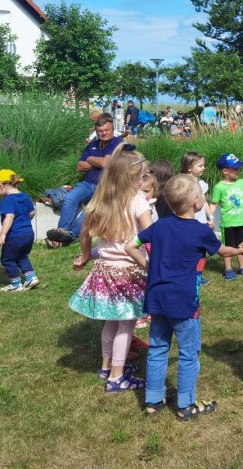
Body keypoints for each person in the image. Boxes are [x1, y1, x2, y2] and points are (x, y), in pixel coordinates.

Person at [125, 174, 243, 420]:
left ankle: (153, 400)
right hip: (184, 304)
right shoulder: (201, 232)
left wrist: (147, 265)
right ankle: (185, 405)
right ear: (195, 202)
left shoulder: (157, 226)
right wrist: (240, 249)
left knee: (158, 348)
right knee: (188, 353)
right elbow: (221, 249)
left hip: (157, 300)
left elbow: (131, 245)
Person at [69, 143, 154, 392]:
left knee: (110, 322)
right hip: (129, 271)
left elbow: (84, 233)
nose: (144, 180)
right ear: (131, 178)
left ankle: (107, 366)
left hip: (104, 271)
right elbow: (151, 236)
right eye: (141, 176)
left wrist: (86, 255)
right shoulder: (138, 201)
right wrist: (155, 263)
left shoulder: (102, 200)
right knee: (126, 323)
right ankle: (117, 377)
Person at [47, 112, 123, 246]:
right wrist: (98, 161)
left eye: (107, 130)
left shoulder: (118, 143)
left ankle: (71, 236)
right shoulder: (92, 145)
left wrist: (90, 159)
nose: (104, 133)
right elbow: (79, 167)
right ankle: (61, 231)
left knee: (90, 209)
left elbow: (106, 164)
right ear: (96, 131)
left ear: (112, 129)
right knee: (70, 197)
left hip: (106, 186)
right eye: (100, 131)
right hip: (88, 183)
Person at [0, 169, 39, 292]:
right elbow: (32, 212)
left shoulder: (7, 200)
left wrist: (3, 234)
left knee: (7, 259)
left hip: (14, 235)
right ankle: (31, 278)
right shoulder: (25, 196)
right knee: (22, 256)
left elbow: (9, 217)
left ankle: (16, 284)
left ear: (1, 185)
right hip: (28, 233)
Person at [181, 152, 214, 286]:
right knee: (188, 251)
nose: (203, 168)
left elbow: (204, 202)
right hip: (186, 223)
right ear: (189, 167)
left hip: (200, 223)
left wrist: (210, 217)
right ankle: (188, 274)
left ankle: (198, 276)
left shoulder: (202, 184)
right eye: (200, 165)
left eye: (204, 165)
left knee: (201, 251)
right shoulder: (182, 183)